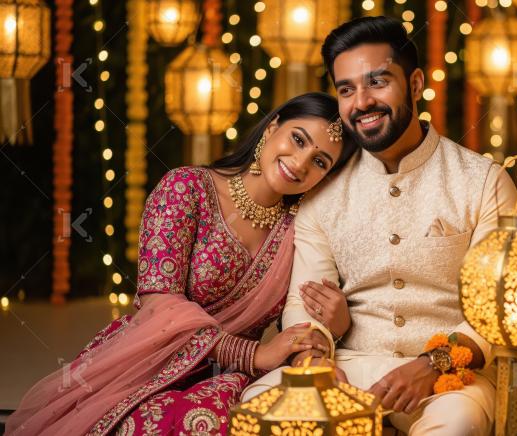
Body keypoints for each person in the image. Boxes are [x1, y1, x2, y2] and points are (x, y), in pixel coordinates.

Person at [6, 92, 357, 436]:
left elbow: (303, 309)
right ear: (272, 127)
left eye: (320, 161)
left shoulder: (302, 228)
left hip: (231, 378)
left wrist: (335, 328)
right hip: (149, 362)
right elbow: (159, 303)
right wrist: (253, 353)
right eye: (297, 139)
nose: (300, 162)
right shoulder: (186, 188)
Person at [244, 17, 517, 436]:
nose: (362, 102)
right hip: (347, 366)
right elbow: (305, 302)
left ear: (414, 83)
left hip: (448, 380)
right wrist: (313, 362)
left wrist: (432, 365)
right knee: (262, 405)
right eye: (347, 90)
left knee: (458, 425)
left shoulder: (482, 182)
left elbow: (497, 309)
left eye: (377, 82)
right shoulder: (323, 192)